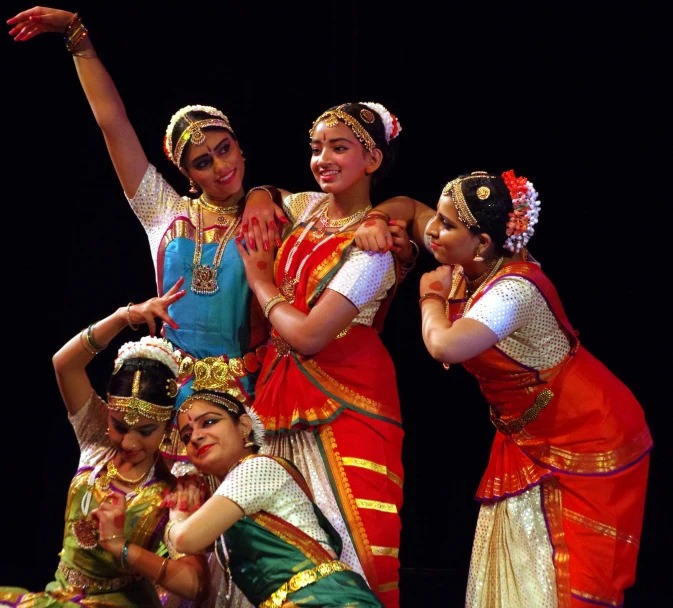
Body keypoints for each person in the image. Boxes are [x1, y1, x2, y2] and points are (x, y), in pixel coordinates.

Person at [368, 169, 653, 606]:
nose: (432, 231)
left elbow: (444, 345)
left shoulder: (513, 291)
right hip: (525, 434)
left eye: (446, 224)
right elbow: (407, 206)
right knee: (520, 563)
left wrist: (430, 296)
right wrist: (376, 222)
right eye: (440, 218)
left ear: (482, 243)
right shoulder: (467, 250)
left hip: (589, 434)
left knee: (572, 578)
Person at [6, 6, 285, 440]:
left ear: (240, 147)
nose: (221, 167)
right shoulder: (164, 211)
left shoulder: (276, 212)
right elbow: (112, 123)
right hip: (167, 395)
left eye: (225, 149)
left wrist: (269, 193)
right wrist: (78, 39)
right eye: (203, 162)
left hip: (248, 396)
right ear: (188, 175)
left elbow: (339, 208)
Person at [236, 102, 412, 607]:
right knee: (279, 535)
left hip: (348, 398)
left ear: (373, 158)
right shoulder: (308, 208)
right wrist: (256, 195)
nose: (323, 159)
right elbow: (273, 196)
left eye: (340, 147)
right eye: (316, 148)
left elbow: (311, 335)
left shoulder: (377, 246)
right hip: (281, 394)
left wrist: (259, 281)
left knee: (347, 539)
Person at [0, 280, 211, 607]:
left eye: (145, 431)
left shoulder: (177, 491)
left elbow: (195, 585)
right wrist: (124, 316)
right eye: (119, 425)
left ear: (167, 427)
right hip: (59, 595)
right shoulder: (97, 440)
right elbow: (64, 364)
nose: (128, 441)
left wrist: (121, 548)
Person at [143, 363, 384, 607]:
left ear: (244, 427)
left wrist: (177, 517)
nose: (195, 436)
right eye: (186, 435)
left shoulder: (257, 468)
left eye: (208, 423)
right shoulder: (229, 502)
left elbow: (186, 539)